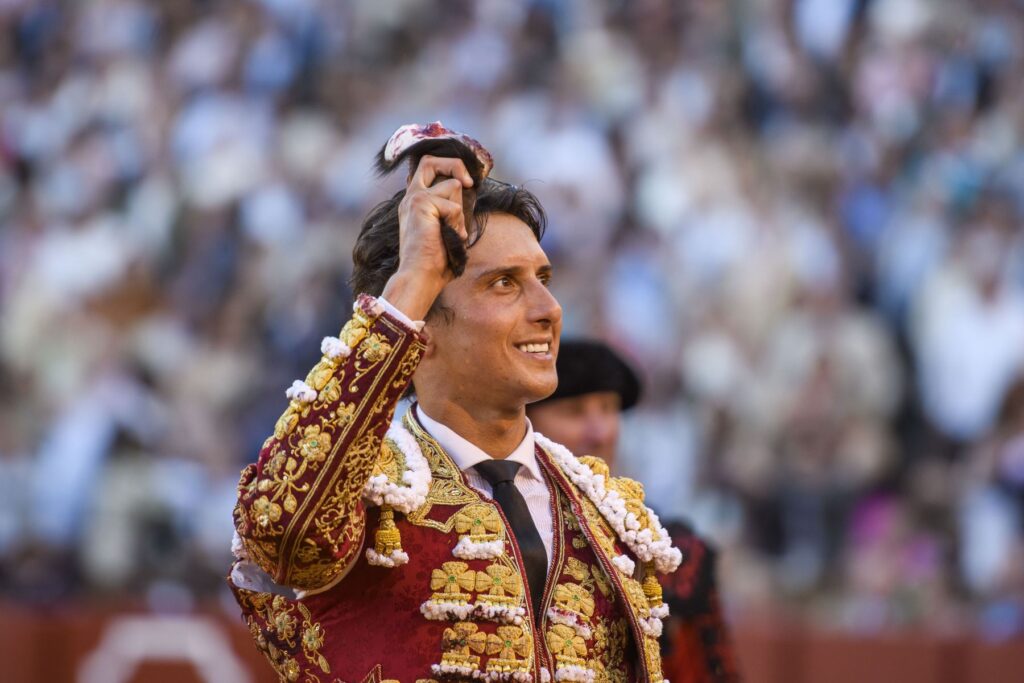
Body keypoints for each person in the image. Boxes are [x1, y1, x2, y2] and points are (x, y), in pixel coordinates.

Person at [227, 126, 683, 682]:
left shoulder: (601, 511)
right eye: (504, 285)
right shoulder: (364, 489)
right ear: (423, 325)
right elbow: (280, 528)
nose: (549, 309)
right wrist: (413, 280)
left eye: (543, 278)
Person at [528, 341, 741, 682]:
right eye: (574, 411)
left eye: (608, 408)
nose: (600, 432)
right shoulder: (497, 527)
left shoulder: (673, 549)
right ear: (525, 422)